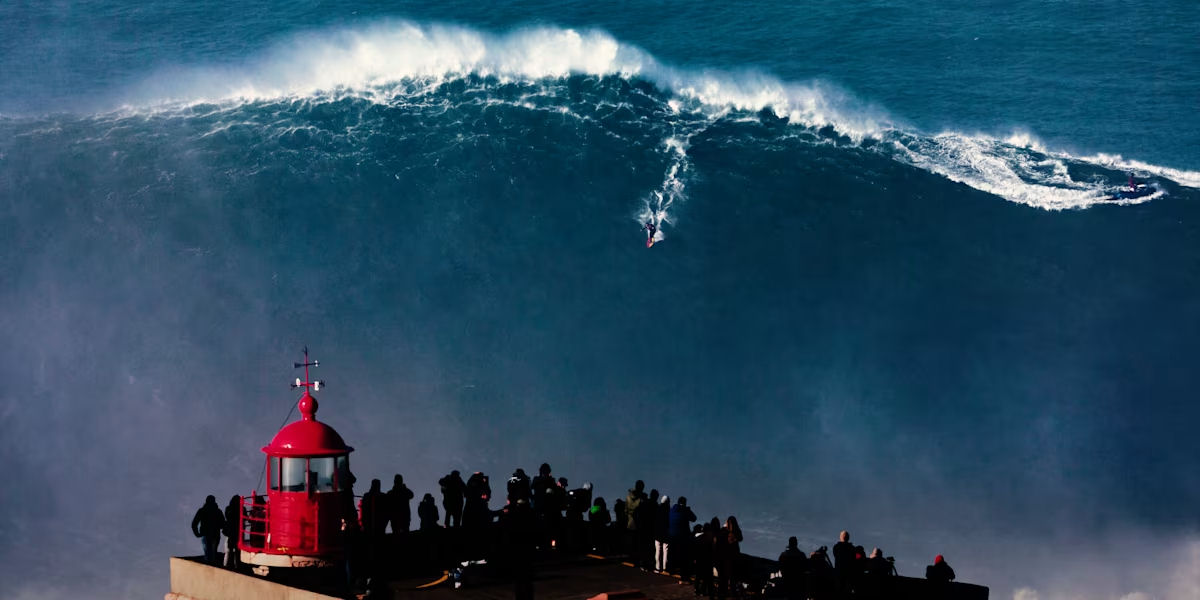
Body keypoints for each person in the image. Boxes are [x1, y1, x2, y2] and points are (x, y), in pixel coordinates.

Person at [191, 495, 226, 566]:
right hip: (216, 535)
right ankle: (213, 567)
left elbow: (194, 523)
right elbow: (223, 524)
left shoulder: (202, 510)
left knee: (208, 553)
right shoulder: (218, 511)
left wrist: (197, 533)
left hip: (205, 535)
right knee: (213, 552)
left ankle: (209, 568)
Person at [668, 497, 697, 576]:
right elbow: (694, 518)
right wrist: (688, 509)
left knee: (672, 553)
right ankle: (683, 572)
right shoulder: (685, 510)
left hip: (671, 535)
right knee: (683, 554)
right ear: (685, 503)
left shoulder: (672, 509)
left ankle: (670, 569)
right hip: (681, 536)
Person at [832, 530, 856, 596]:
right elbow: (855, 557)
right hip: (849, 573)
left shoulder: (836, 547)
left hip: (840, 572)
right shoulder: (852, 548)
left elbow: (835, 554)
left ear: (840, 537)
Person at [222, 495, 242, 569]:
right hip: (238, 531)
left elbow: (226, 516)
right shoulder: (242, 508)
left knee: (229, 549)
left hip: (230, 531)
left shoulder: (228, 508)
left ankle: (228, 564)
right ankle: (238, 565)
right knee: (238, 550)